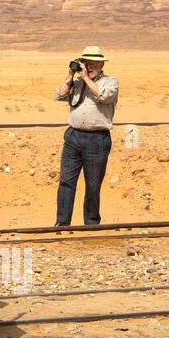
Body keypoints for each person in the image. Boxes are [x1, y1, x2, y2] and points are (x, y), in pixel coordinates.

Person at [54, 45, 119, 226]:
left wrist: (85, 78)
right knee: (66, 181)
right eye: (85, 62)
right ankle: (62, 222)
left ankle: (91, 224)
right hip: (73, 136)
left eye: (92, 63)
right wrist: (70, 76)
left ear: (100, 64)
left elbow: (104, 96)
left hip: (97, 140)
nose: (88, 66)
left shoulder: (110, 81)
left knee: (93, 184)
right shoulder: (78, 83)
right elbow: (59, 95)